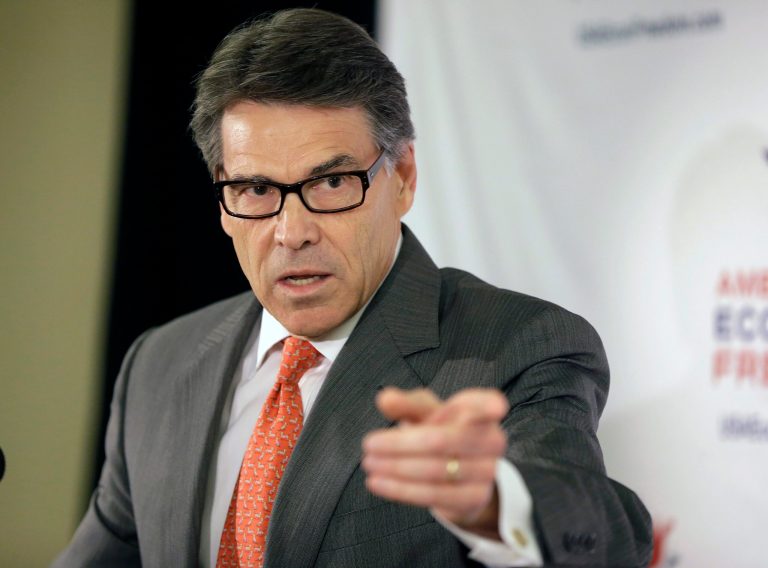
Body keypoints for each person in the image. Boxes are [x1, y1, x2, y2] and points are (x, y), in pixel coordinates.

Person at [54, 8, 652, 568]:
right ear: (223, 197)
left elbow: (608, 536)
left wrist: (499, 502)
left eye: (333, 181)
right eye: (257, 189)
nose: (292, 232)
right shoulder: (159, 364)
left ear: (404, 177)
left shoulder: (521, 346)